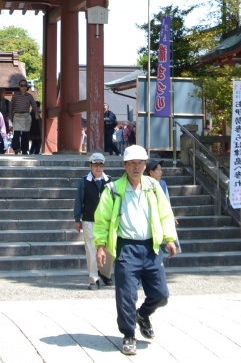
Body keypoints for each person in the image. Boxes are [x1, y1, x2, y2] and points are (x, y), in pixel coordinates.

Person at [93, 145, 179, 357]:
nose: (136, 167)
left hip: (151, 247)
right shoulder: (113, 189)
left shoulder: (153, 187)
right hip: (126, 247)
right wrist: (100, 245)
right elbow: (102, 220)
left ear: (145, 165)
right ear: (124, 165)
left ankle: (143, 314)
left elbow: (165, 213)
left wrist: (169, 238)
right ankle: (129, 334)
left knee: (161, 294)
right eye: (132, 163)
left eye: (140, 163)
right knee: (126, 295)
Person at [74, 152, 113, 290]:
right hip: (89, 219)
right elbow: (79, 200)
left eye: (101, 165)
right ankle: (93, 279)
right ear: (90, 165)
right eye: (95, 165)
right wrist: (77, 218)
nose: (98, 167)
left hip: (106, 221)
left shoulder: (110, 181)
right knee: (91, 250)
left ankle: (105, 274)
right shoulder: (84, 181)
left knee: (108, 250)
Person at [9, 79, 38, 154]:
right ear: (19, 86)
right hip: (17, 116)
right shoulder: (15, 96)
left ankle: (24, 149)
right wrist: (10, 116)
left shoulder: (29, 96)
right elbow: (11, 106)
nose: (24, 87)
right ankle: (16, 148)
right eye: (22, 85)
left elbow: (34, 105)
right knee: (16, 133)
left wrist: (36, 113)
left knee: (26, 134)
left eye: (25, 85)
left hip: (26, 116)